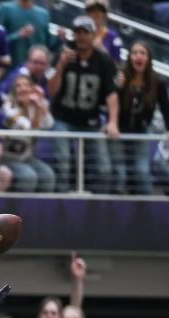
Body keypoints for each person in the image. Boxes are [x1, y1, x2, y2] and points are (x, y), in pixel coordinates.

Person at [48, 15, 119, 194]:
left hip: (90, 120)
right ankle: (61, 201)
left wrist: (112, 122)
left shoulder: (103, 60)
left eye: (85, 33)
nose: (81, 36)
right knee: (62, 161)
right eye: (77, 32)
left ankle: (97, 204)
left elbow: (111, 94)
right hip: (63, 117)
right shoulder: (63, 54)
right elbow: (51, 90)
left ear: (93, 35)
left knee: (104, 167)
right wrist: (61, 65)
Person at [111, 41, 169, 195]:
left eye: (142, 53)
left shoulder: (158, 81)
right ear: (129, 57)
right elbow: (108, 101)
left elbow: (167, 108)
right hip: (119, 131)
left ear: (148, 58)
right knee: (120, 173)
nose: (138, 57)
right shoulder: (120, 77)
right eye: (134, 53)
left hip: (141, 131)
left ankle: (146, 211)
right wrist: (118, 87)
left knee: (141, 172)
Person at [1, 73, 56, 192]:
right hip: (8, 158)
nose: (23, 88)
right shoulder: (8, 107)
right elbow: (28, 129)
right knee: (28, 177)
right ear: (14, 90)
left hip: (26, 157)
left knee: (48, 175)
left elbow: (49, 123)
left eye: (26, 85)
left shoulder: (35, 105)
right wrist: (37, 109)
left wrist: (40, 103)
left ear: (32, 88)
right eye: (18, 86)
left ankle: (41, 210)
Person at [0, 0, 61, 68]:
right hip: (8, 69)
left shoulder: (44, 14)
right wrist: (18, 35)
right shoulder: (5, 9)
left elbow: (48, 46)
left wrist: (59, 39)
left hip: (32, 73)